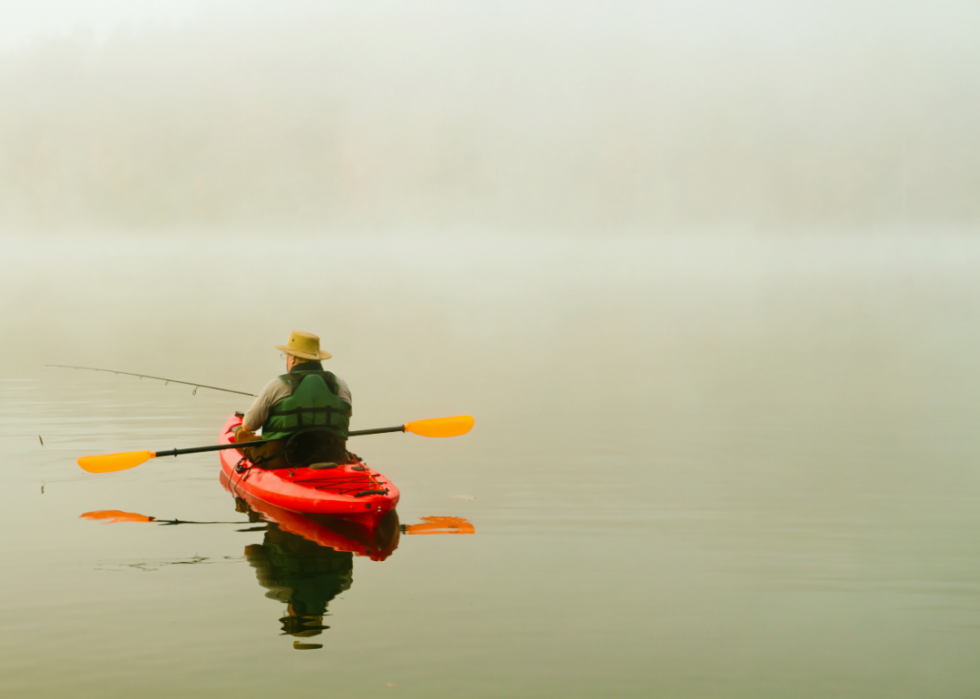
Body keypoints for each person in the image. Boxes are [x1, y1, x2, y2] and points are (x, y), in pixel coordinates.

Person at [236, 331, 352, 469]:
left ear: (292, 359)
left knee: (241, 433)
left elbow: (249, 426)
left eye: (286, 356)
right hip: (332, 456)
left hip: (281, 460)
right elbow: (346, 415)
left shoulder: (277, 385)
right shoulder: (340, 384)